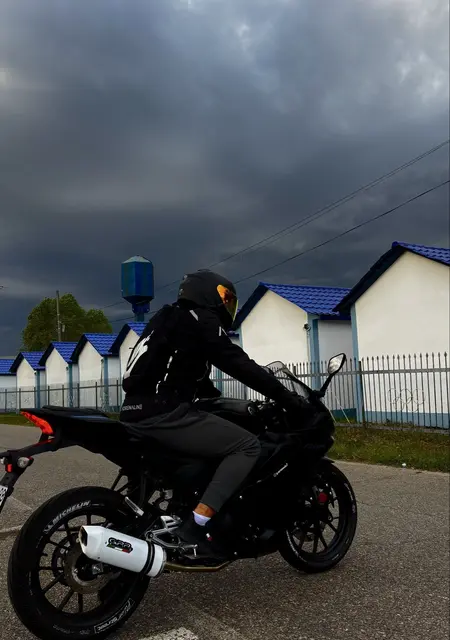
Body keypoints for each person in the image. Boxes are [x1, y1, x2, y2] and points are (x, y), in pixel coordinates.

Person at [120, 269, 307, 560]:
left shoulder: (165, 319)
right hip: (164, 413)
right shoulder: (200, 319)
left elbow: (188, 371)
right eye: (226, 297)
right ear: (207, 293)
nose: (227, 305)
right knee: (247, 446)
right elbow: (236, 362)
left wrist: (213, 396)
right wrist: (286, 397)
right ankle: (197, 525)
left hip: (133, 413)